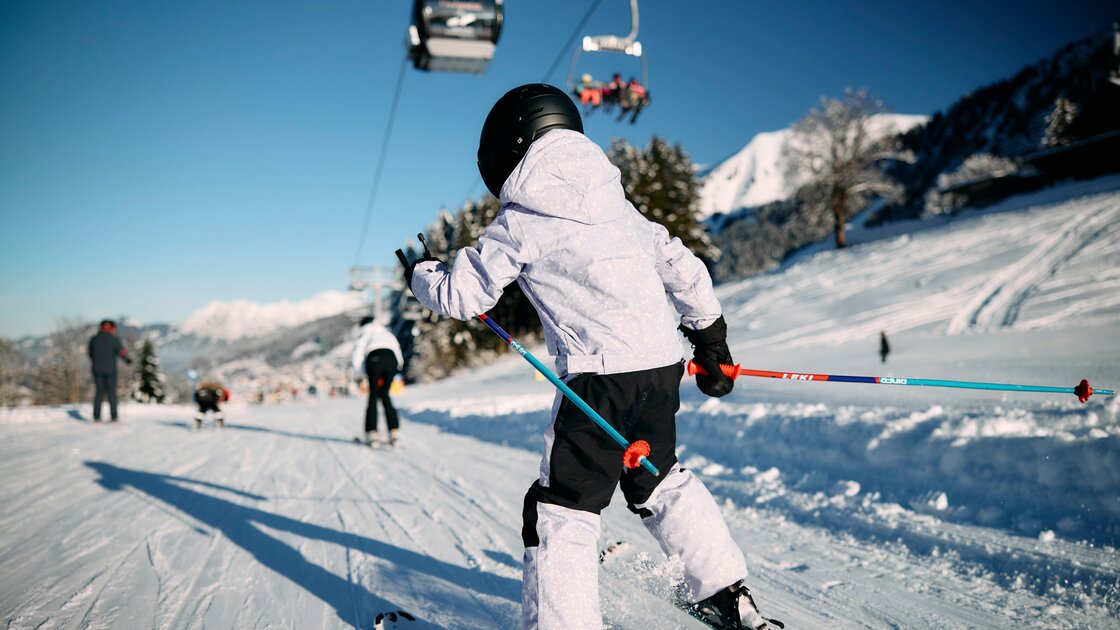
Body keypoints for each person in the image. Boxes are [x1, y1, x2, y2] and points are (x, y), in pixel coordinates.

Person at [406, 83, 781, 629]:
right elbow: (684, 268)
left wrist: (422, 275)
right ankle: (726, 592)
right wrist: (711, 341)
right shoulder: (617, 208)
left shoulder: (523, 218)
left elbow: (463, 295)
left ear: (510, 147)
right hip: (660, 370)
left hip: (598, 380)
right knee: (660, 478)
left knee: (562, 509)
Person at [351, 315, 404, 447]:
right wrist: (397, 367)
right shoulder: (386, 333)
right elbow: (397, 349)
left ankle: (372, 433)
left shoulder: (364, 332)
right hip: (391, 359)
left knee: (373, 396)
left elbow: (358, 351)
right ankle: (394, 432)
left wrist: (360, 373)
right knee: (385, 395)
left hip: (374, 358)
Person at [88, 319, 131, 423]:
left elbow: (90, 354)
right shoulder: (114, 339)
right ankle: (114, 416)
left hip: (97, 369)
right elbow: (122, 352)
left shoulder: (94, 339)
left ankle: (96, 417)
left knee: (99, 392)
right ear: (111, 328)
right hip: (111, 370)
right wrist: (128, 360)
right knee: (111, 393)